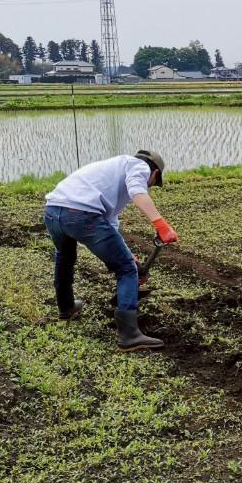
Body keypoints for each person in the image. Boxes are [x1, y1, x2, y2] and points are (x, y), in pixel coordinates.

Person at [43, 150, 178, 351]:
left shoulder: (112, 169)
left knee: (65, 257)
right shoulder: (138, 166)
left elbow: (109, 225)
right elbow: (137, 192)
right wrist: (161, 224)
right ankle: (129, 335)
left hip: (53, 212)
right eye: (151, 182)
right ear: (155, 174)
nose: (148, 185)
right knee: (125, 269)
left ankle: (66, 308)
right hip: (81, 214)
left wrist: (128, 255)